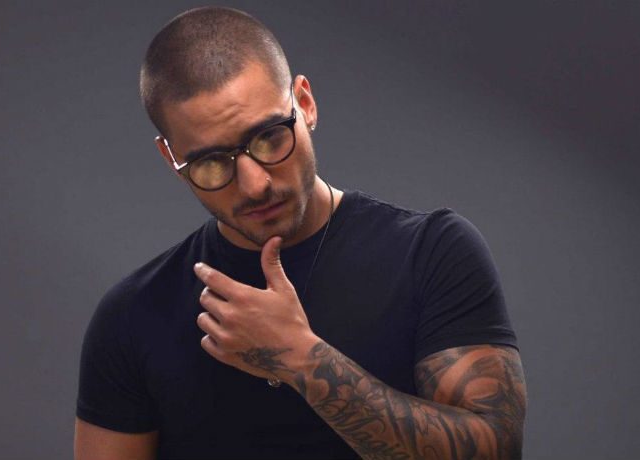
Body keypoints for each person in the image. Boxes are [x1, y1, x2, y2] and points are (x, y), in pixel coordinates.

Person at [74, 6, 526, 460]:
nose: (255, 184)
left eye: (269, 136)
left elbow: (497, 452)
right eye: (212, 162)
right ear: (171, 159)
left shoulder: (431, 253)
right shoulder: (133, 315)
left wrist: (301, 358)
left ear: (304, 103)